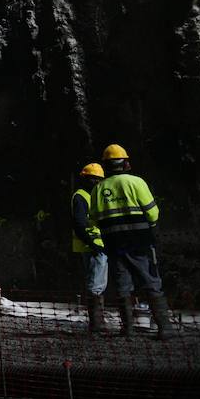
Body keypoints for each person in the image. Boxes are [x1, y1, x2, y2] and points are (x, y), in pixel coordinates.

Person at [90, 144, 173, 338]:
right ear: (125, 163)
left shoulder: (98, 189)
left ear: (106, 166)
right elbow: (153, 213)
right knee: (151, 282)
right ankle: (165, 328)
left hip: (114, 245)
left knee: (123, 286)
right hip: (140, 242)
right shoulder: (136, 182)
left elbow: (93, 218)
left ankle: (127, 329)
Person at [71, 163, 107, 333]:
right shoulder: (81, 196)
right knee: (96, 285)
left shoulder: (95, 195)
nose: (96, 182)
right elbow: (79, 224)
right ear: (85, 179)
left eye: (99, 179)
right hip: (92, 246)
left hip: (96, 245)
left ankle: (98, 322)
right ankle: (97, 324)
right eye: (94, 179)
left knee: (97, 283)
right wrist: (91, 243)